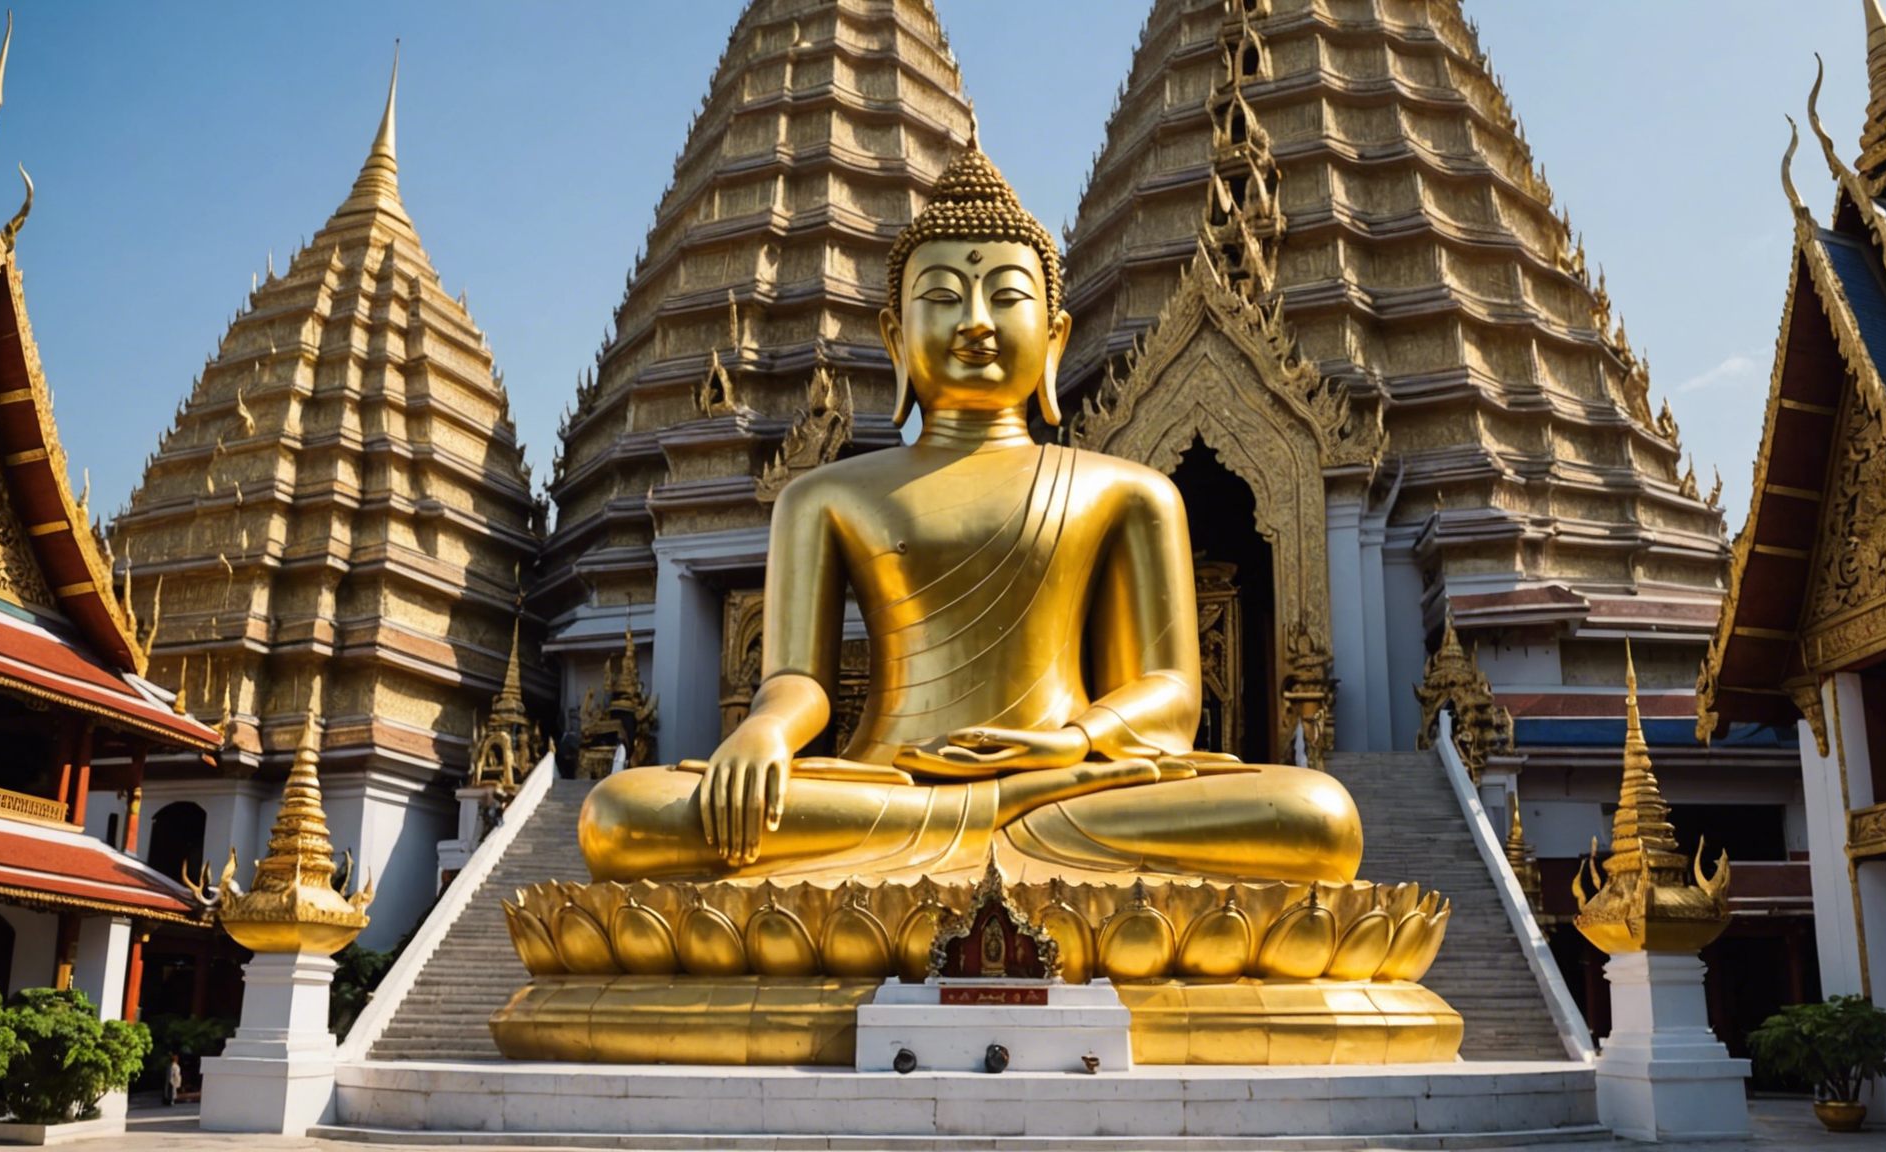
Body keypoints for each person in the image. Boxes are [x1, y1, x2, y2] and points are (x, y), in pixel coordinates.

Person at [579, 148, 1361, 886]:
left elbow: (1168, 693)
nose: (977, 322)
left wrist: (1069, 743)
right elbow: (799, 681)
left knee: (1315, 817)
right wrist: (764, 733)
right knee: (622, 817)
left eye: (1008, 297)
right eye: (942, 300)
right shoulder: (825, 497)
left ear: (1055, 339)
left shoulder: (1128, 491)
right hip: (893, 790)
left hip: (1067, 791)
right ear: (895, 338)